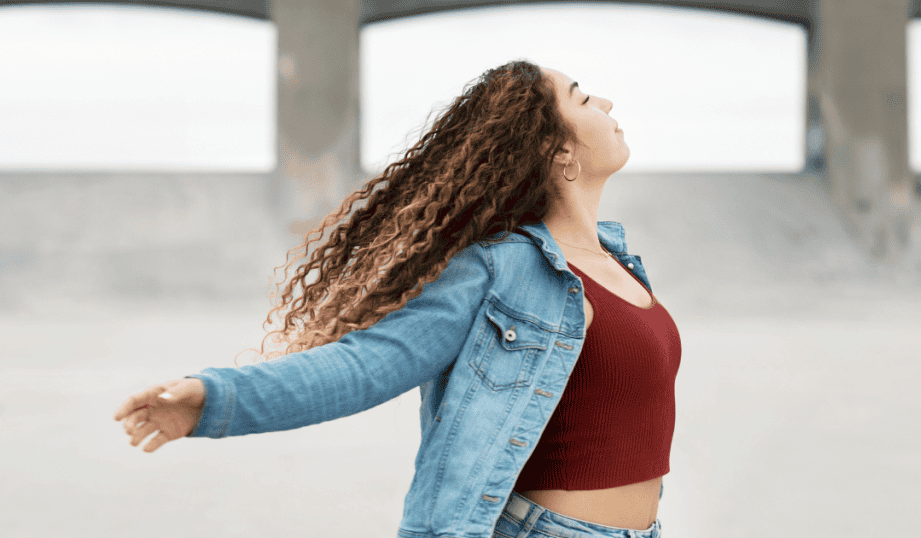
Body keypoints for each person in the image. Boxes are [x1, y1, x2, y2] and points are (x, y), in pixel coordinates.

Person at [113, 59, 680, 538]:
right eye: (582, 98)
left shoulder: (617, 261)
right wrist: (216, 399)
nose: (605, 102)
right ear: (558, 150)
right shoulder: (500, 269)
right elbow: (365, 365)